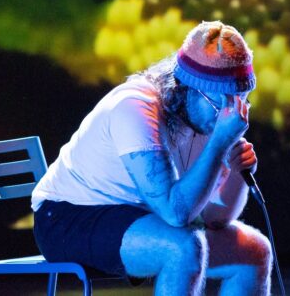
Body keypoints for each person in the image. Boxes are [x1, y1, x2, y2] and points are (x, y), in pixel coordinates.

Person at [32, 21, 272, 295]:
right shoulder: (135, 107)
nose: (230, 115)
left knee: (253, 251)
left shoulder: (203, 118)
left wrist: (237, 172)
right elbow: (176, 212)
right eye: (223, 103)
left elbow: (213, 218)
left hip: (141, 215)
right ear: (188, 89)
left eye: (241, 102)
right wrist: (219, 143)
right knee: (182, 247)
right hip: (69, 217)